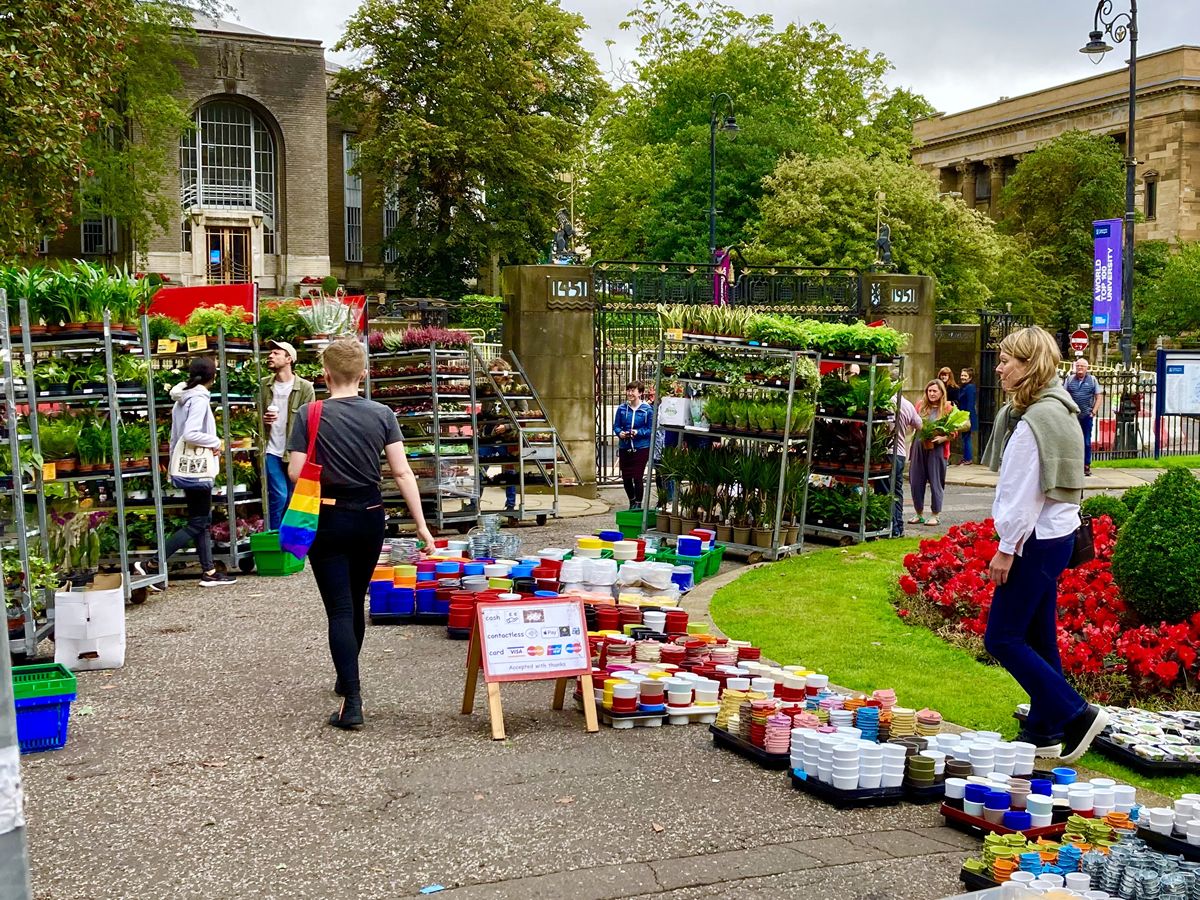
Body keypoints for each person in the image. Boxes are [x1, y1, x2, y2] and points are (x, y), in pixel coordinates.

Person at [288, 338, 435, 730]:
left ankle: (352, 700)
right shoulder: (383, 414)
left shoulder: (309, 413)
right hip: (371, 517)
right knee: (355, 599)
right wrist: (421, 526)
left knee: (338, 608)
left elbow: (293, 472)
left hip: (327, 518)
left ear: (325, 374)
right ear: (363, 374)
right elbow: (402, 472)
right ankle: (345, 676)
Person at [982, 326, 1107, 762]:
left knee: (1002, 638)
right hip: (1055, 538)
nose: (998, 367)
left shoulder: (1036, 419)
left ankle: (1076, 714)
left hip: (1033, 541)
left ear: (1028, 365)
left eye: (1006, 360)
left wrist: (1006, 547)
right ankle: (1044, 729)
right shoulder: (1061, 409)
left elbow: (1023, 493)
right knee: (1038, 635)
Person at [146, 357, 237, 586]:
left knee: (200, 519)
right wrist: (215, 441)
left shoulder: (182, 398)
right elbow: (191, 433)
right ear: (212, 377)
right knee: (198, 522)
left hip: (186, 465)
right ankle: (154, 562)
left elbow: (177, 436)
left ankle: (208, 571)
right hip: (197, 467)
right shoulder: (198, 400)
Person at [260, 340, 315, 532]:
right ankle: (275, 538)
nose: (270, 356)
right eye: (271, 353)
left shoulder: (306, 388)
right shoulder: (264, 386)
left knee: (293, 499)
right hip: (271, 450)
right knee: (280, 495)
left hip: (294, 451)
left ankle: (290, 541)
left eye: (276, 353)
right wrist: (262, 420)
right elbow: (254, 418)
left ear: (289, 359)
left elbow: (311, 420)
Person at [908, 379, 961, 527]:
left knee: (936, 481)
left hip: (938, 449)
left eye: (935, 391)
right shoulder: (920, 405)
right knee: (916, 481)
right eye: (929, 391)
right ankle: (918, 513)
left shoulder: (948, 408)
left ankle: (935, 514)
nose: (931, 394)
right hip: (919, 446)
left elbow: (954, 432)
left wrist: (942, 438)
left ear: (941, 392)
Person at [612, 380, 654, 509]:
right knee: (626, 478)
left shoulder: (647, 410)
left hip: (641, 447)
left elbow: (650, 429)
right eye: (628, 390)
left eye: (633, 391)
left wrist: (637, 432)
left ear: (640, 393)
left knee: (637, 477)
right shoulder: (622, 408)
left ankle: (638, 504)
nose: (630, 393)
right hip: (625, 447)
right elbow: (616, 426)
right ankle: (632, 500)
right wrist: (620, 433)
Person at [890, 391, 923, 537]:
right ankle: (898, 527)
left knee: (885, 490)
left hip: (886, 451)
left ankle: (889, 526)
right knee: (897, 490)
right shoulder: (907, 404)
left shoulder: (885, 402)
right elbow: (919, 425)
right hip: (901, 452)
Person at [1063, 358, 1101, 476]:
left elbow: (1098, 396)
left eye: (1082, 366)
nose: (1080, 368)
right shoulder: (1069, 380)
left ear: (1087, 368)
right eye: (1078, 366)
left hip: (1086, 415)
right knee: (1071, 441)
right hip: (1072, 416)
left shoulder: (1092, 380)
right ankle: (1072, 465)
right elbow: (1063, 395)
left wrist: (1093, 412)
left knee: (1086, 441)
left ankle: (1086, 465)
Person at [957, 367, 978, 465]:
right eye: (962, 375)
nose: (963, 377)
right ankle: (966, 457)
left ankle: (968, 458)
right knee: (965, 437)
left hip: (967, 415)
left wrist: (967, 416)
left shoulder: (970, 388)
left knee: (967, 437)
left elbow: (970, 403)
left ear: (970, 378)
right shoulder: (964, 387)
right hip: (963, 414)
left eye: (965, 376)